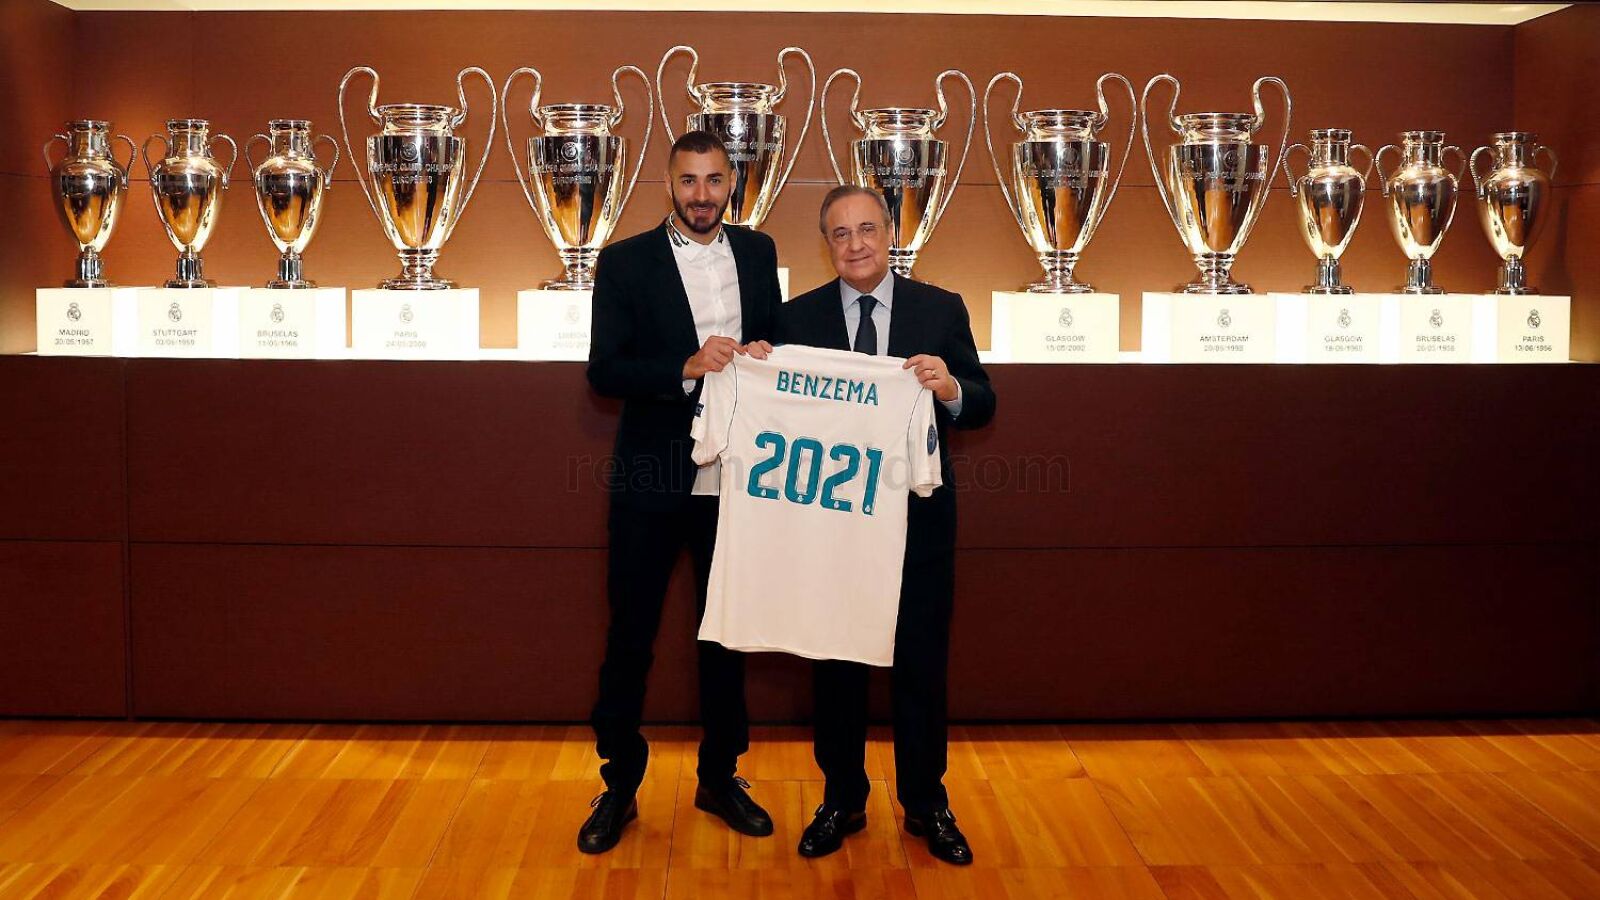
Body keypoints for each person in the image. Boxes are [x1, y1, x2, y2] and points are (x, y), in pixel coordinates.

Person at [776, 184, 996, 865]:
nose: (856, 245)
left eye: (867, 229)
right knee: (836, 668)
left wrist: (950, 388)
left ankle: (927, 803)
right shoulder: (796, 317)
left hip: (918, 523)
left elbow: (983, 401)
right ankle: (841, 799)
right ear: (827, 244)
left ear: (890, 233)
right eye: (841, 234)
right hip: (833, 527)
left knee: (921, 668)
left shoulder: (941, 308)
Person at [580, 130, 782, 854]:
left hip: (739, 477)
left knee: (725, 635)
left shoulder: (758, 252)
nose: (702, 194)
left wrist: (766, 355)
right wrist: (687, 365)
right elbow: (605, 371)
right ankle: (618, 785)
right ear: (670, 183)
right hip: (650, 476)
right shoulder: (624, 261)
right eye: (689, 180)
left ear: (732, 183)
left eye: (715, 180)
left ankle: (720, 777)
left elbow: (778, 345)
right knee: (631, 635)